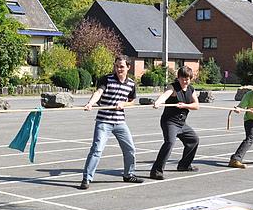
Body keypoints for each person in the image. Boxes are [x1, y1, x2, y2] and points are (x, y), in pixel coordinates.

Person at [79, 55, 143, 190]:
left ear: (128, 68)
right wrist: (90, 103)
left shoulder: (131, 84)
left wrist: (124, 104)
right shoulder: (106, 79)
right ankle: (86, 178)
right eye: (116, 66)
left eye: (121, 66)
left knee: (130, 149)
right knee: (97, 149)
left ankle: (129, 174)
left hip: (120, 122)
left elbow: (132, 101)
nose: (118, 69)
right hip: (104, 121)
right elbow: (98, 92)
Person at [149, 66, 200, 180]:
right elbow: (165, 95)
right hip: (169, 122)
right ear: (178, 78)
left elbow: (196, 105)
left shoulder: (191, 89)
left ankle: (184, 165)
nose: (185, 81)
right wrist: (158, 102)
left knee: (193, 140)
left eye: (187, 79)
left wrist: (185, 105)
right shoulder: (173, 87)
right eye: (182, 79)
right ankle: (156, 171)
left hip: (182, 123)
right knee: (169, 143)